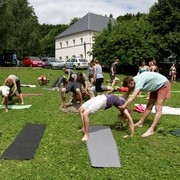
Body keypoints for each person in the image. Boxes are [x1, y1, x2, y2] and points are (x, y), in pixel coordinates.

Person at [121, 72, 171, 137]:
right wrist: (117, 101)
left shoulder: (138, 82)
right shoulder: (132, 82)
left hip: (163, 84)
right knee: (149, 106)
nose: (129, 89)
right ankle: (140, 123)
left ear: (131, 83)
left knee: (158, 107)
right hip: (155, 86)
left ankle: (151, 130)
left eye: (129, 87)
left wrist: (124, 106)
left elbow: (133, 97)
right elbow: (127, 94)